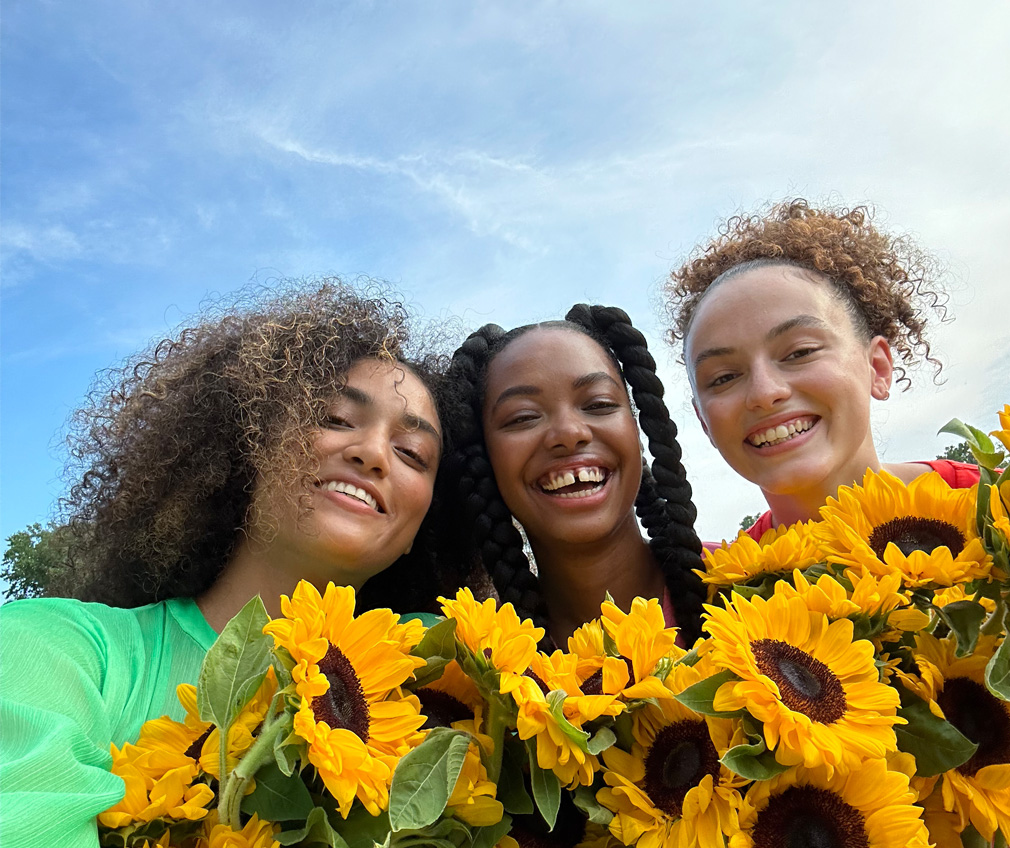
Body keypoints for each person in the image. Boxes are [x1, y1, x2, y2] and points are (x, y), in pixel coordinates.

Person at [0, 281, 460, 848]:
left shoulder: (451, 684)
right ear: (249, 441)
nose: (372, 453)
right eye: (335, 418)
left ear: (423, 528)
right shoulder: (64, 650)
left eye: (414, 455)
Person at [665, 198, 975, 537]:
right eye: (724, 377)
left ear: (878, 367)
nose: (765, 393)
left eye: (800, 352)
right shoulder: (721, 587)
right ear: (704, 422)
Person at [443, 304, 706, 650]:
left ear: (636, 430)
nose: (568, 433)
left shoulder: (762, 585)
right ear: (484, 460)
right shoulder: (473, 669)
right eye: (522, 417)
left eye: (598, 404)